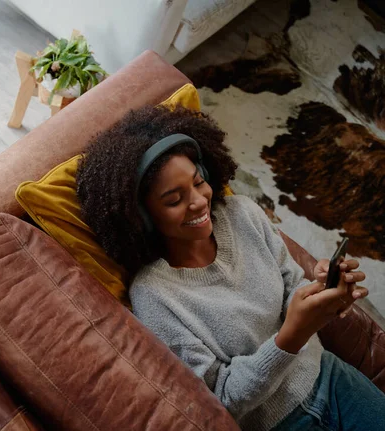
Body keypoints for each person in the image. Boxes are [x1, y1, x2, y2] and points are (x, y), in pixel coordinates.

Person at [75, 105, 385, 431]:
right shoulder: (154, 296)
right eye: (173, 199)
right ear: (142, 218)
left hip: (333, 377)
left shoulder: (242, 214)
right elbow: (222, 400)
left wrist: (323, 292)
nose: (197, 201)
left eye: (198, 182)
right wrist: (289, 337)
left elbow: (291, 284)